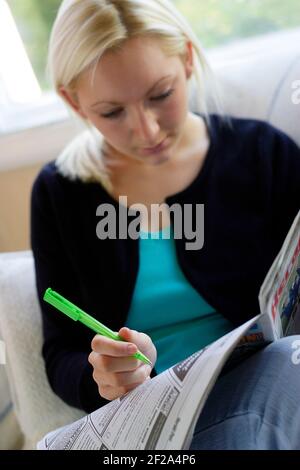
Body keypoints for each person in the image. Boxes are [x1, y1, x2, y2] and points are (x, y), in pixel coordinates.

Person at [31, 0, 300, 449]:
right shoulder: (61, 193)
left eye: (160, 95)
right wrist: (102, 377)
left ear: (188, 59)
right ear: (73, 101)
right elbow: (60, 353)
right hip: (142, 427)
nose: (148, 130)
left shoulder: (263, 156)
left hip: (266, 393)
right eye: (112, 113)